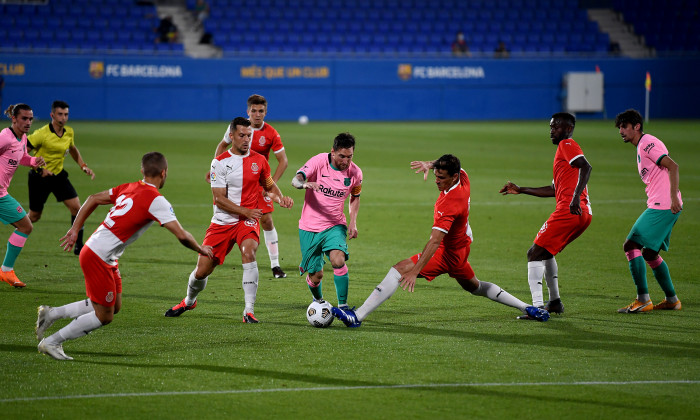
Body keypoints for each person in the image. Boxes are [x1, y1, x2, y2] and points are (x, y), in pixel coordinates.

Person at [332, 155, 549, 327]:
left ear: (454, 177)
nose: (437, 181)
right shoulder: (463, 177)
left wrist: (416, 270)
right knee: (475, 287)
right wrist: (431, 163)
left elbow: (435, 242)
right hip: (463, 247)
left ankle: (357, 317)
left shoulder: (450, 203)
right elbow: (451, 161)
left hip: (448, 253)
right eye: (436, 175)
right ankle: (527, 307)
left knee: (398, 270)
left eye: (442, 177)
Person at [35, 152, 213, 360]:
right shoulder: (157, 200)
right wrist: (201, 249)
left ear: (142, 171)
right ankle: (52, 342)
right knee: (105, 315)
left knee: (114, 305)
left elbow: (93, 198)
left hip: (103, 254)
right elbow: (182, 235)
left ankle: (51, 313)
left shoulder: (129, 187)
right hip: (98, 256)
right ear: (164, 173)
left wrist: (75, 229)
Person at [165, 117, 293, 323]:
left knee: (249, 252)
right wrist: (246, 210)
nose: (246, 140)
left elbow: (269, 185)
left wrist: (280, 198)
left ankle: (249, 311)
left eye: (249, 136)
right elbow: (219, 199)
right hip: (222, 222)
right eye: (242, 135)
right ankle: (189, 301)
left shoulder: (259, 160)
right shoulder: (220, 162)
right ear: (231, 136)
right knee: (202, 271)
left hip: (246, 222)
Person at [499, 112, 592, 316]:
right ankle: (555, 302)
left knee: (534, 253)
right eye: (550, 127)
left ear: (568, 129)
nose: (552, 131)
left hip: (570, 210)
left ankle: (538, 307)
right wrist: (521, 189)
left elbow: (586, 166)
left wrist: (575, 197)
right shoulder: (563, 154)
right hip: (582, 214)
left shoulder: (567, 145)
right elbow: (553, 190)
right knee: (547, 252)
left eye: (556, 127)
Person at [211, 94, 289, 279]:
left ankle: (275, 265)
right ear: (248, 111)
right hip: (238, 181)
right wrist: (215, 167)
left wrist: (270, 185)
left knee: (267, 220)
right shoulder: (239, 128)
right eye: (253, 111)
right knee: (229, 215)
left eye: (261, 111)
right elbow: (222, 145)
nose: (257, 114)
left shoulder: (271, 133)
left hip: (259, 181)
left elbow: (283, 161)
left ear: (265, 112)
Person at [614, 109, 683, 313]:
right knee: (650, 253)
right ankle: (672, 300)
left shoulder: (647, 143)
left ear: (636, 127)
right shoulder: (641, 146)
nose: (621, 131)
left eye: (624, 126)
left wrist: (672, 197)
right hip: (663, 204)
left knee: (630, 245)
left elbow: (673, 166)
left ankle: (643, 299)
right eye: (619, 127)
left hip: (663, 205)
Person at [291, 132, 362, 311]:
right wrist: (304, 184)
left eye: (350, 156)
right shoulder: (319, 161)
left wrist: (353, 222)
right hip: (309, 226)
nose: (346, 161)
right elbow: (296, 179)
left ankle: (343, 307)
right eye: (342, 156)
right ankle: (319, 301)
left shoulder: (355, 173)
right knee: (316, 276)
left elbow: (355, 197)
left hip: (335, 225)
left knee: (338, 260)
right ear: (333, 151)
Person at [27, 100, 95, 256]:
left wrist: (83, 165)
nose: (64, 117)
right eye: (60, 114)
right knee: (34, 216)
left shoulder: (69, 132)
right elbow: (23, 152)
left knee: (76, 208)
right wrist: (40, 168)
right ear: (52, 115)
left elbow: (72, 149)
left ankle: (79, 246)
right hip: (39, 178)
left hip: (58, 176)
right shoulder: (41, 134)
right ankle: (18, 230)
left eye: (66, 114)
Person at [0, 104, 45, 288]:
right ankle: (6, 270)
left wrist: (34, 161)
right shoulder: (5, 137)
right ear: (14, 119)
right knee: (26, 226)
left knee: (25, 226)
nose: (28, 122)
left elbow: (23, 157)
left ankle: (6, 270)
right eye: (24, 119)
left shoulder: (22, 138)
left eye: (30, 119)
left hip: (2, 193)